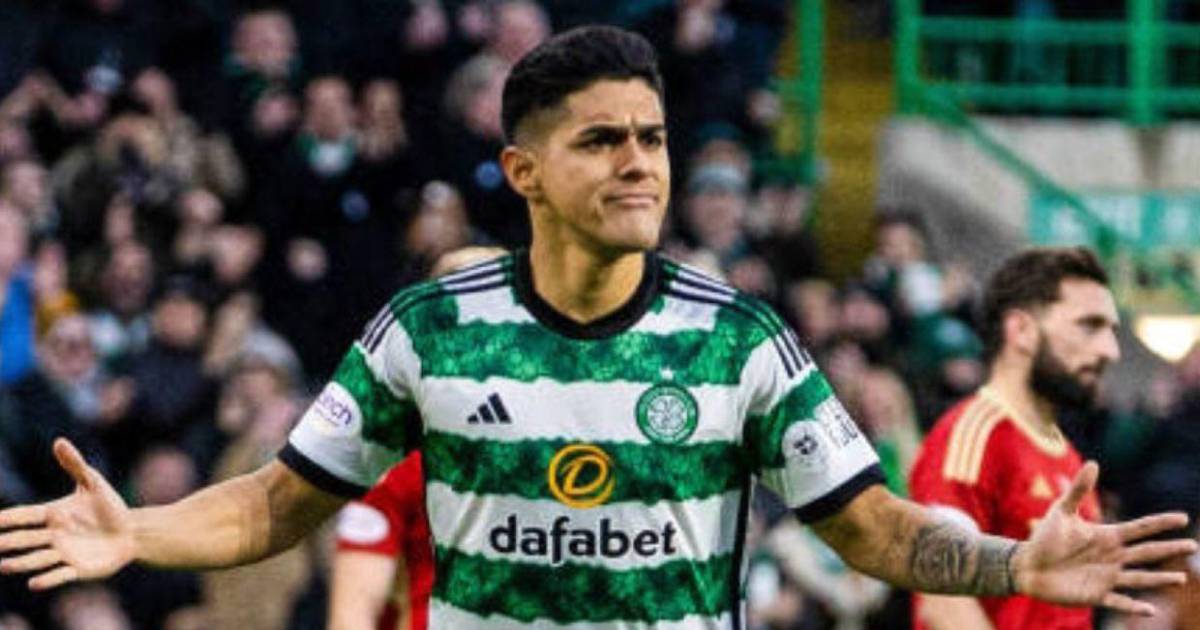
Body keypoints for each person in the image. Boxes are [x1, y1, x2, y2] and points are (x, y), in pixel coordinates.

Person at [0, 25, 1194, 630]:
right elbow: (274, 504)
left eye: (653, 138)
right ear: (523, 170)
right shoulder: (429, 329)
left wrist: (1011, 565)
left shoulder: (741, 341)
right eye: (602, 139)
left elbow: (874, 529)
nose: (639, 163)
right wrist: (138, 530)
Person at [908, 246, 1124, 630]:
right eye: (1090, 325)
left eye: (1112, 330)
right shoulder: (972, 438)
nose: (1111, 351)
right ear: (1021, 330)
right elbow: (943, 605)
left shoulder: (1069, 458)